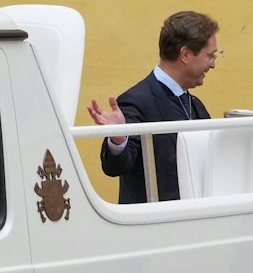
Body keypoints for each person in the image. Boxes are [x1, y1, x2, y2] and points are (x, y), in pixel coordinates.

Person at [87, 11, 218, 203]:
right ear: (186, 54)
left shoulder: (196, 105)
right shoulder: (135, 101)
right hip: (155, 226)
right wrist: (118, 140)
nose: (213, 65)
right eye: (210, 56)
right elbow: (115, 167)